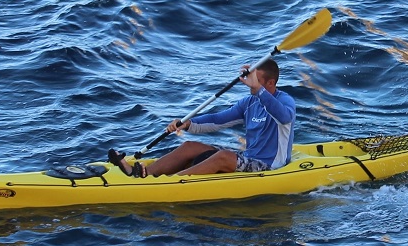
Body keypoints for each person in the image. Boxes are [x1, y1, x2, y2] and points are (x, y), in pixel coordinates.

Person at [111, 58, 295, 178]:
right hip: (249, 157)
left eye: (257, 80)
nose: (251, 84)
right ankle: (142, 173)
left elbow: (284, 117)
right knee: (190, 146)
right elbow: (217, 119)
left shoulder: (285, 101)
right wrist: (187, 124)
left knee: (222, 156)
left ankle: (173, 182)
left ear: (271, 83)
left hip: (271, 166)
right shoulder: (249, 103)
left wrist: (260, 91)